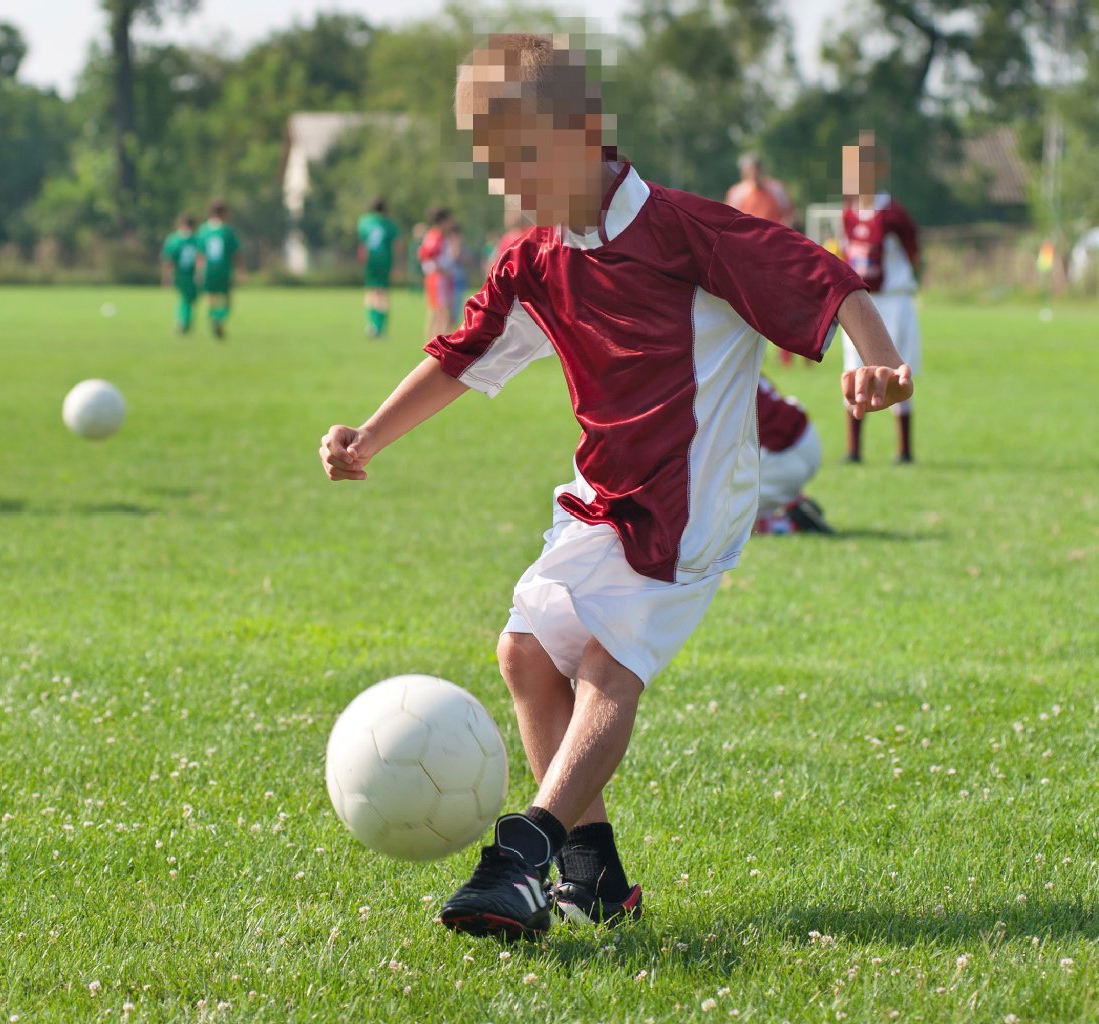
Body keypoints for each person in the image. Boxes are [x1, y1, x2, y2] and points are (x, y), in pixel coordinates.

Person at [319, 33, 912, 940]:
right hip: (604, 491)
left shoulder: (687, 230)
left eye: (519, 156)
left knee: (604, 666)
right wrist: (368, 435)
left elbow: (824, 279)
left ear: (584, 132)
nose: (504, 179)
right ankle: (594, 879)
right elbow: (461, 357)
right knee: (524, 655)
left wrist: (875, 359)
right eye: (489, 161)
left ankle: (521, 854)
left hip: (689, 502)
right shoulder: (532, 259)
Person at [839, 131, 922, 464]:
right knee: (853, 366)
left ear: (879, 170)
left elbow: (913, 255)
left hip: (893, 301)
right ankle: (853, 450)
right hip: (859, 301)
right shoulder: (848, 213)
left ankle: (904, 450)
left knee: (897, 369)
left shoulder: (894, 215)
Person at [725, 154, 799, 366]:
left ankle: (787, 352)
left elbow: (792, 215)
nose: (754, 174)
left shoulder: (777, 190)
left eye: (757, 169)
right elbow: (726, 221)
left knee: (782, 302)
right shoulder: (737, 193)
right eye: (751, 170)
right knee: (747, 305)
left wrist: (782, 238)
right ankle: (750, 350)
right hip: (746, 258)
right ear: (744, 172)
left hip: (775, 255)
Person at [754, 378, 832, 535]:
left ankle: (789, 523)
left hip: (785, 455)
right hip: (802, 436)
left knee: (722, 519)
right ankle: (790, 500)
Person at [356, 198, 399, 338]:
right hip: (385, 260)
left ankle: (371, 324)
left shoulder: (364, 221)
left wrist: (360, 260)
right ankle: (381, 326)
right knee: (382, 293)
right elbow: (395, 244)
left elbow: (363, 243)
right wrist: (396, 263)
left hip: (370, 260)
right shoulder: (389, 223)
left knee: (371, 291)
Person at [197, 200, 240, 340]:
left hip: (208, 270)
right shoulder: (226, 231)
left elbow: (200, 254)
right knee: (227, 298)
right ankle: (220, 318)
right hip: (223, 269)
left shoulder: (203, 230)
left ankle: (213, 317)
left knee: (210, 297)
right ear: (223, 213)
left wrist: (198, 271)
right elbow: (235, 253)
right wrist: (240, 270)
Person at [417, 207, 456, 339]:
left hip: (443, 278)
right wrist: (440, 269)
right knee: (437, 312)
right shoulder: (434, 236)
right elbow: (426, 256)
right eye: (449, 220)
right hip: (437, 279)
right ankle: (432, 343)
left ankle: (438, 343)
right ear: (443, 221)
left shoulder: (442, 236)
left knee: (442, 312)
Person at [160, 213, 201, 335]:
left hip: (179, 274)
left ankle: (183, 322)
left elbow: (168, 260)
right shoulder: (197, 239)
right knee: (188, 299)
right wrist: (200, 273)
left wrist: (166, 277)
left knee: (186, 298)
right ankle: (183, 322)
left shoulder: (174, 239)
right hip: (192, 274)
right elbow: (200, 258)